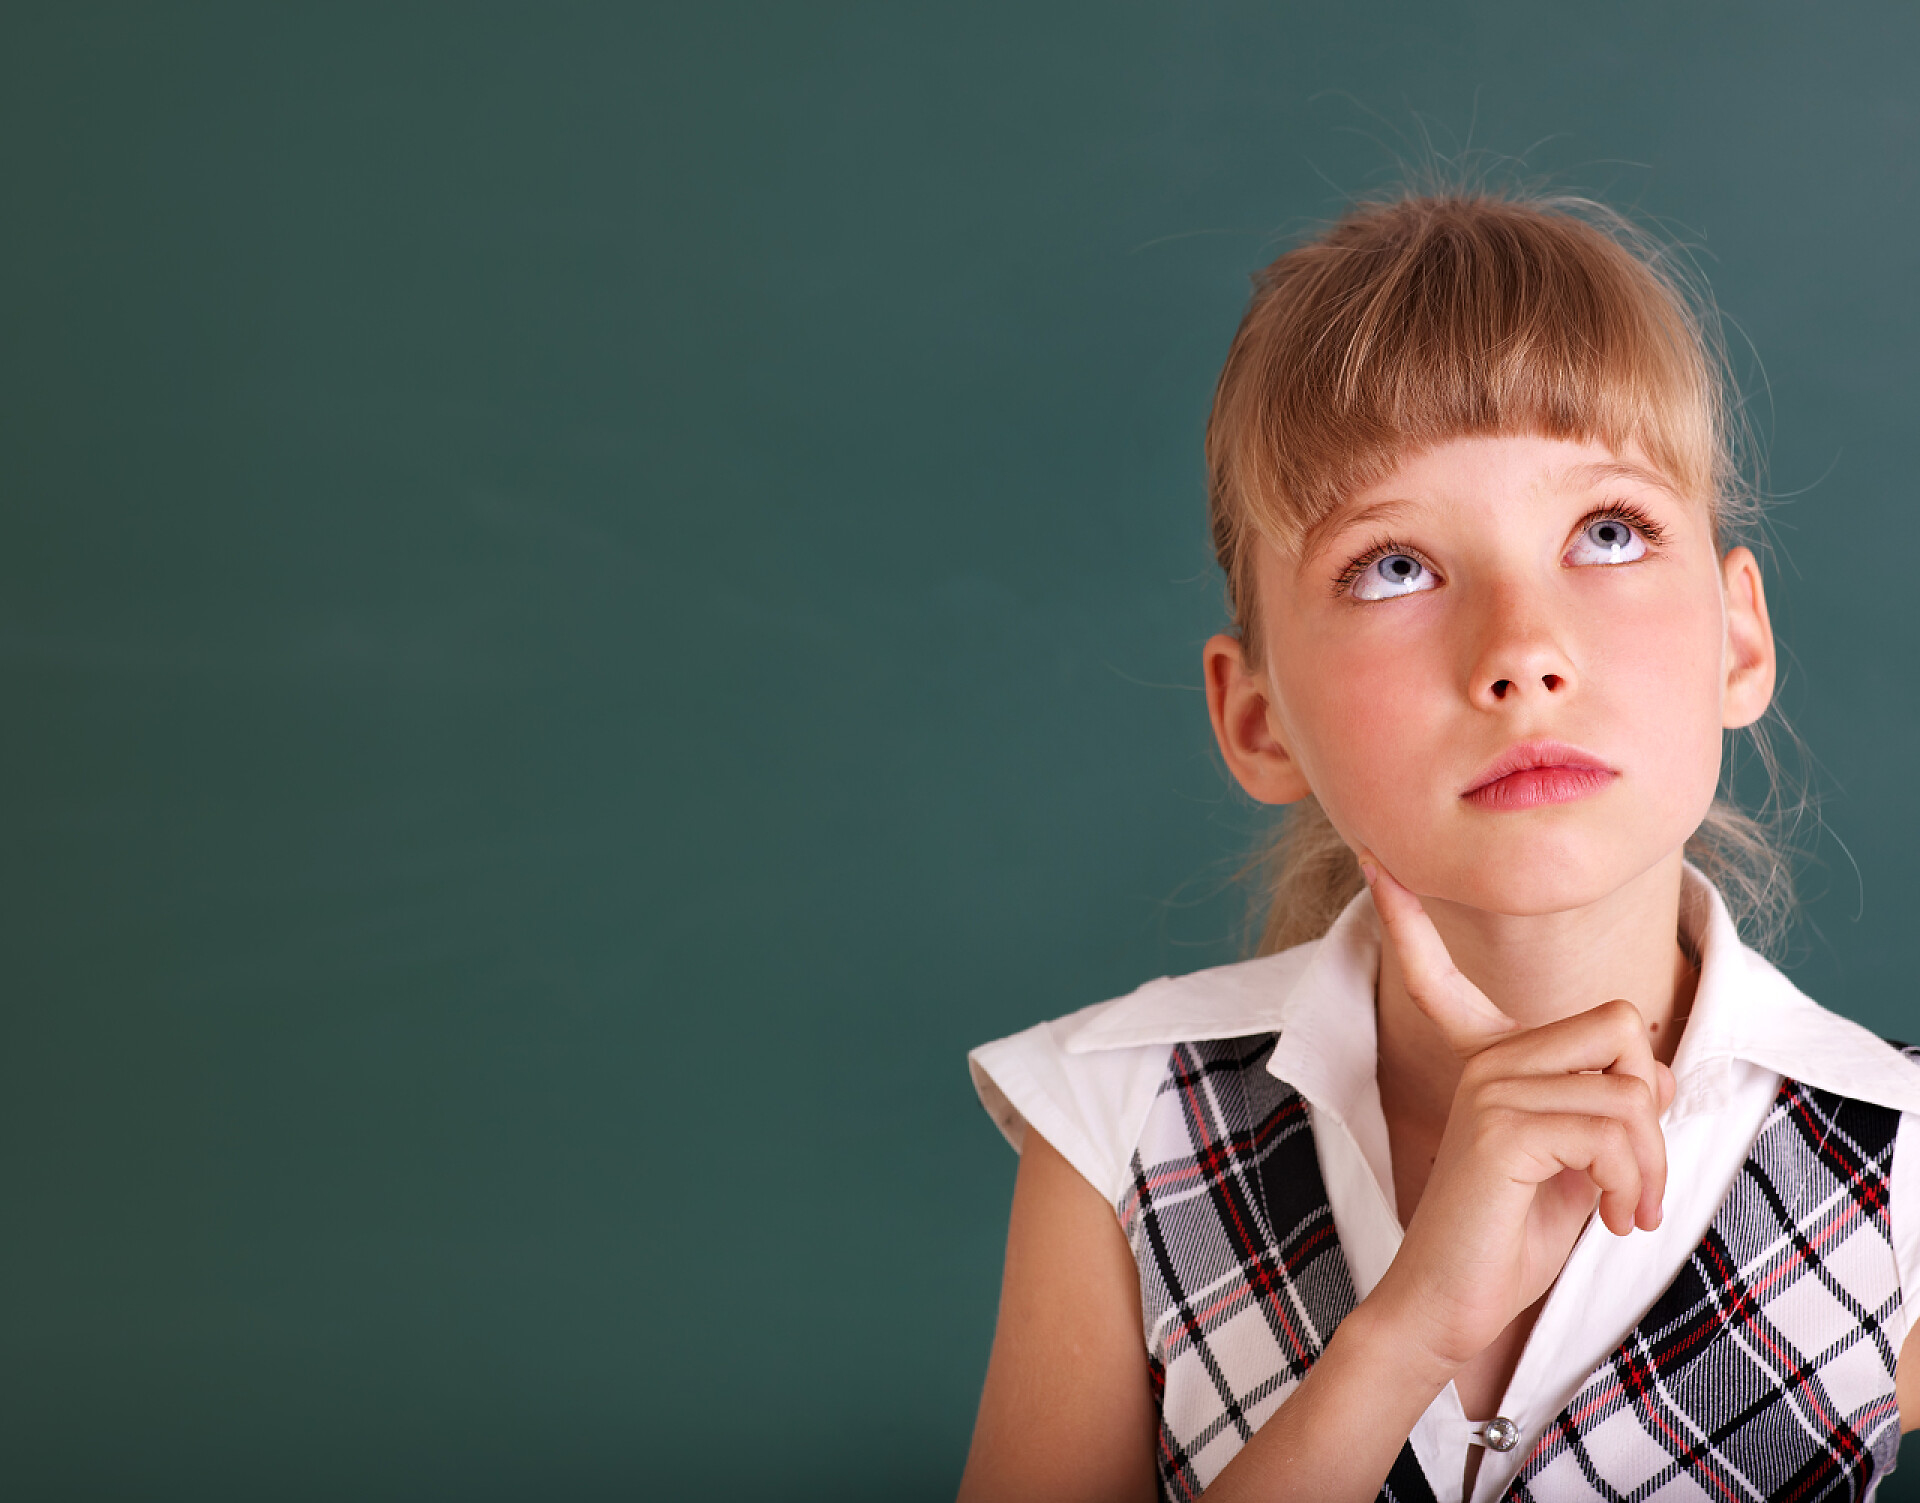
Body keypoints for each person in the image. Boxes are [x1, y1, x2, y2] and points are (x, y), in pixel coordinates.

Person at [956, 191, 1920, 1503]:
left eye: (1609, 532)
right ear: (1257, 719)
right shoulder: (1119, 1128)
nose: (1523, 650)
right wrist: (1402, 1338)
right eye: (1394, 566)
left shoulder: (1896, 1152)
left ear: (1740, 638)